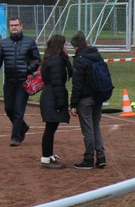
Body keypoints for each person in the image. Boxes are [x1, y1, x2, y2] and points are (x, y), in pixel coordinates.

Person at [0, 17, 41, 146]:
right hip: (9, 81)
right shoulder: (4, 43)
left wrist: (27, 70)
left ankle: (15, 137)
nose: (14, 27)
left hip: (23, 82)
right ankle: (23, 127)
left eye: (16, 25)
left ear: (21, 26)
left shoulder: (29, 42)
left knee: (19, 110)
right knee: (9, 108)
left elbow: (37, 60)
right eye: (12, 25)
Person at [69, 31, 108, 170]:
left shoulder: (79, 59)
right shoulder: (96, 55)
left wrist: (73, 104)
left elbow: (77, 84)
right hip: (98, 96)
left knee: (88, 130)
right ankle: (101, 157)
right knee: (96, 127)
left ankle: (89, 158)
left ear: (76, 46)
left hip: (85, 99)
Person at [38, 34, 72, 169]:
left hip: (49, 94)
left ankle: (49, 155)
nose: (66, 46)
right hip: (52, 96)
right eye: (64, 44)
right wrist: (60, 102)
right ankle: (46, 158)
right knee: (50, 128)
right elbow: (57, 83)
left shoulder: (50, 58)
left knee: (51, 128)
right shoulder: (57, 60)